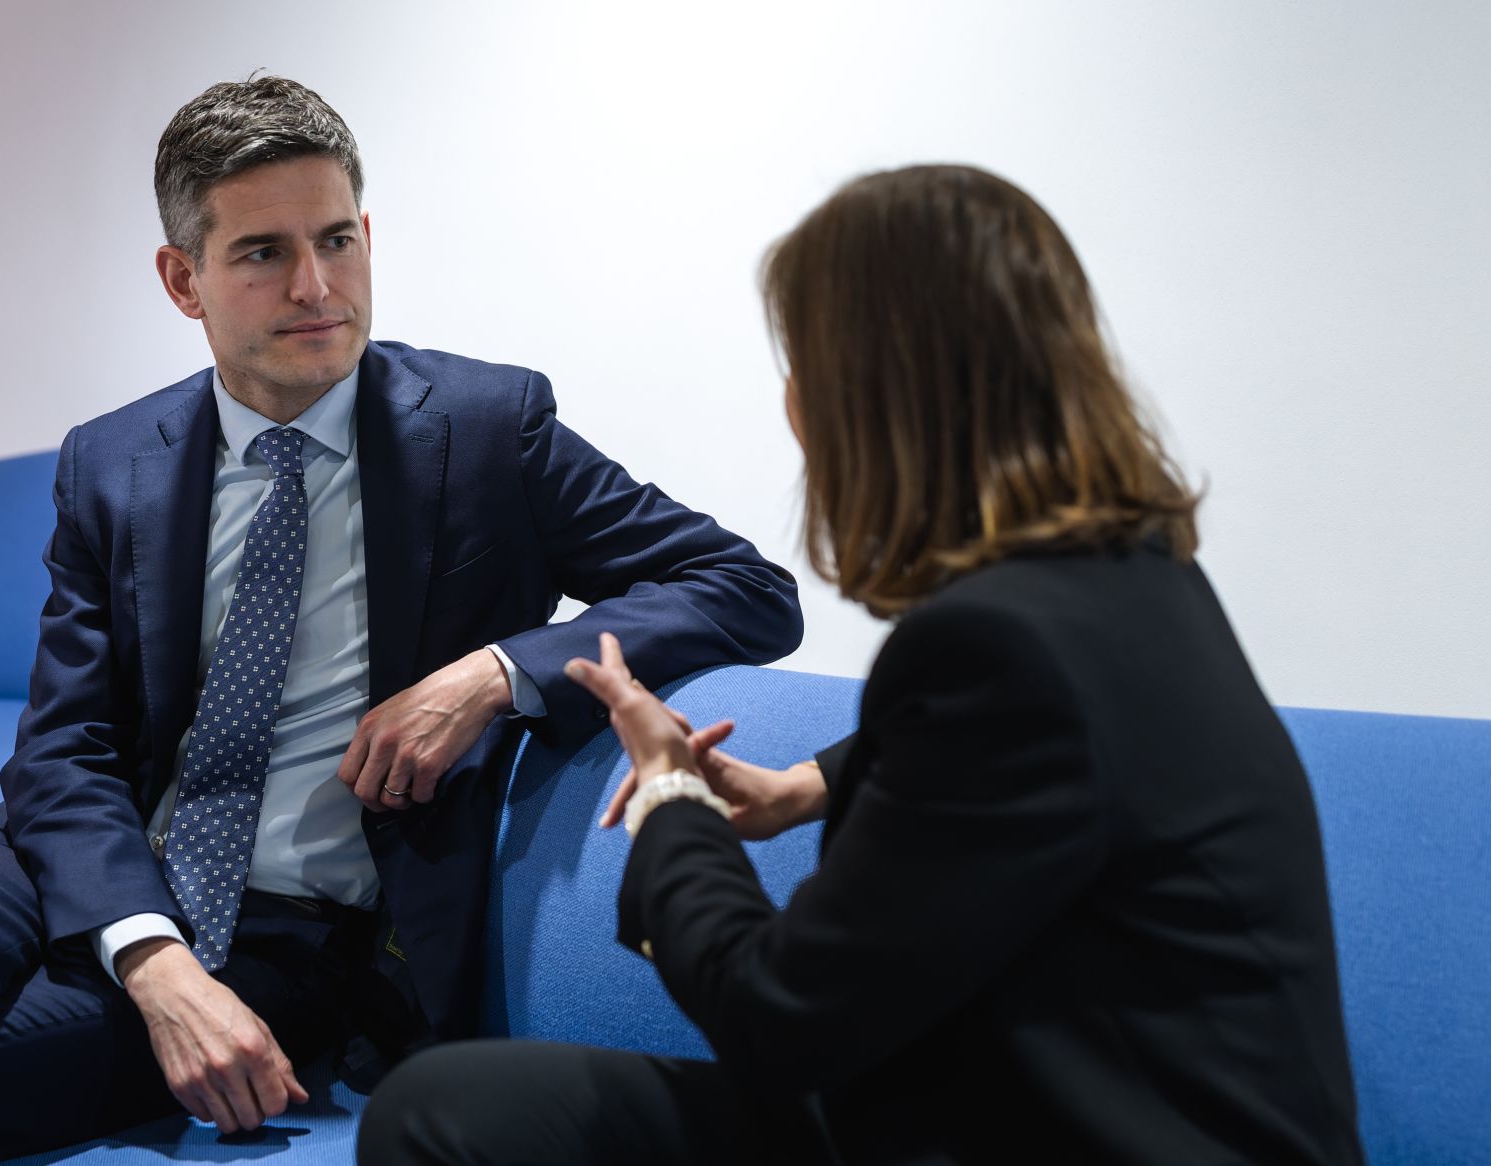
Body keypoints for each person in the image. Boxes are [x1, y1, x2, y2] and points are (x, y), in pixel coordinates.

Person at [0, 76, 802, 1164]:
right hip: (93, 863)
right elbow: (65, 747)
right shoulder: (112, 462)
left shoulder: (488, 431)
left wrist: (492, 670)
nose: (316, 285)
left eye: (337, 239)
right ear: (181, 278)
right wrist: (153, 960)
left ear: (368, 234)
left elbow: (744, 586)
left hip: (292, 928)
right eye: (261, 254)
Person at [357, 165, 1366, 1165]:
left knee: (441, 1115)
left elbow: (773, 1018)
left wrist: (670, 800)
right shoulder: (1132, 575)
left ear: (863, 396)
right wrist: (807, 783)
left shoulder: (990, 647)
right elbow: (1031, 750)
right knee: (459, 1102)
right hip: (1005, 1103)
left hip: (1030, 1126)